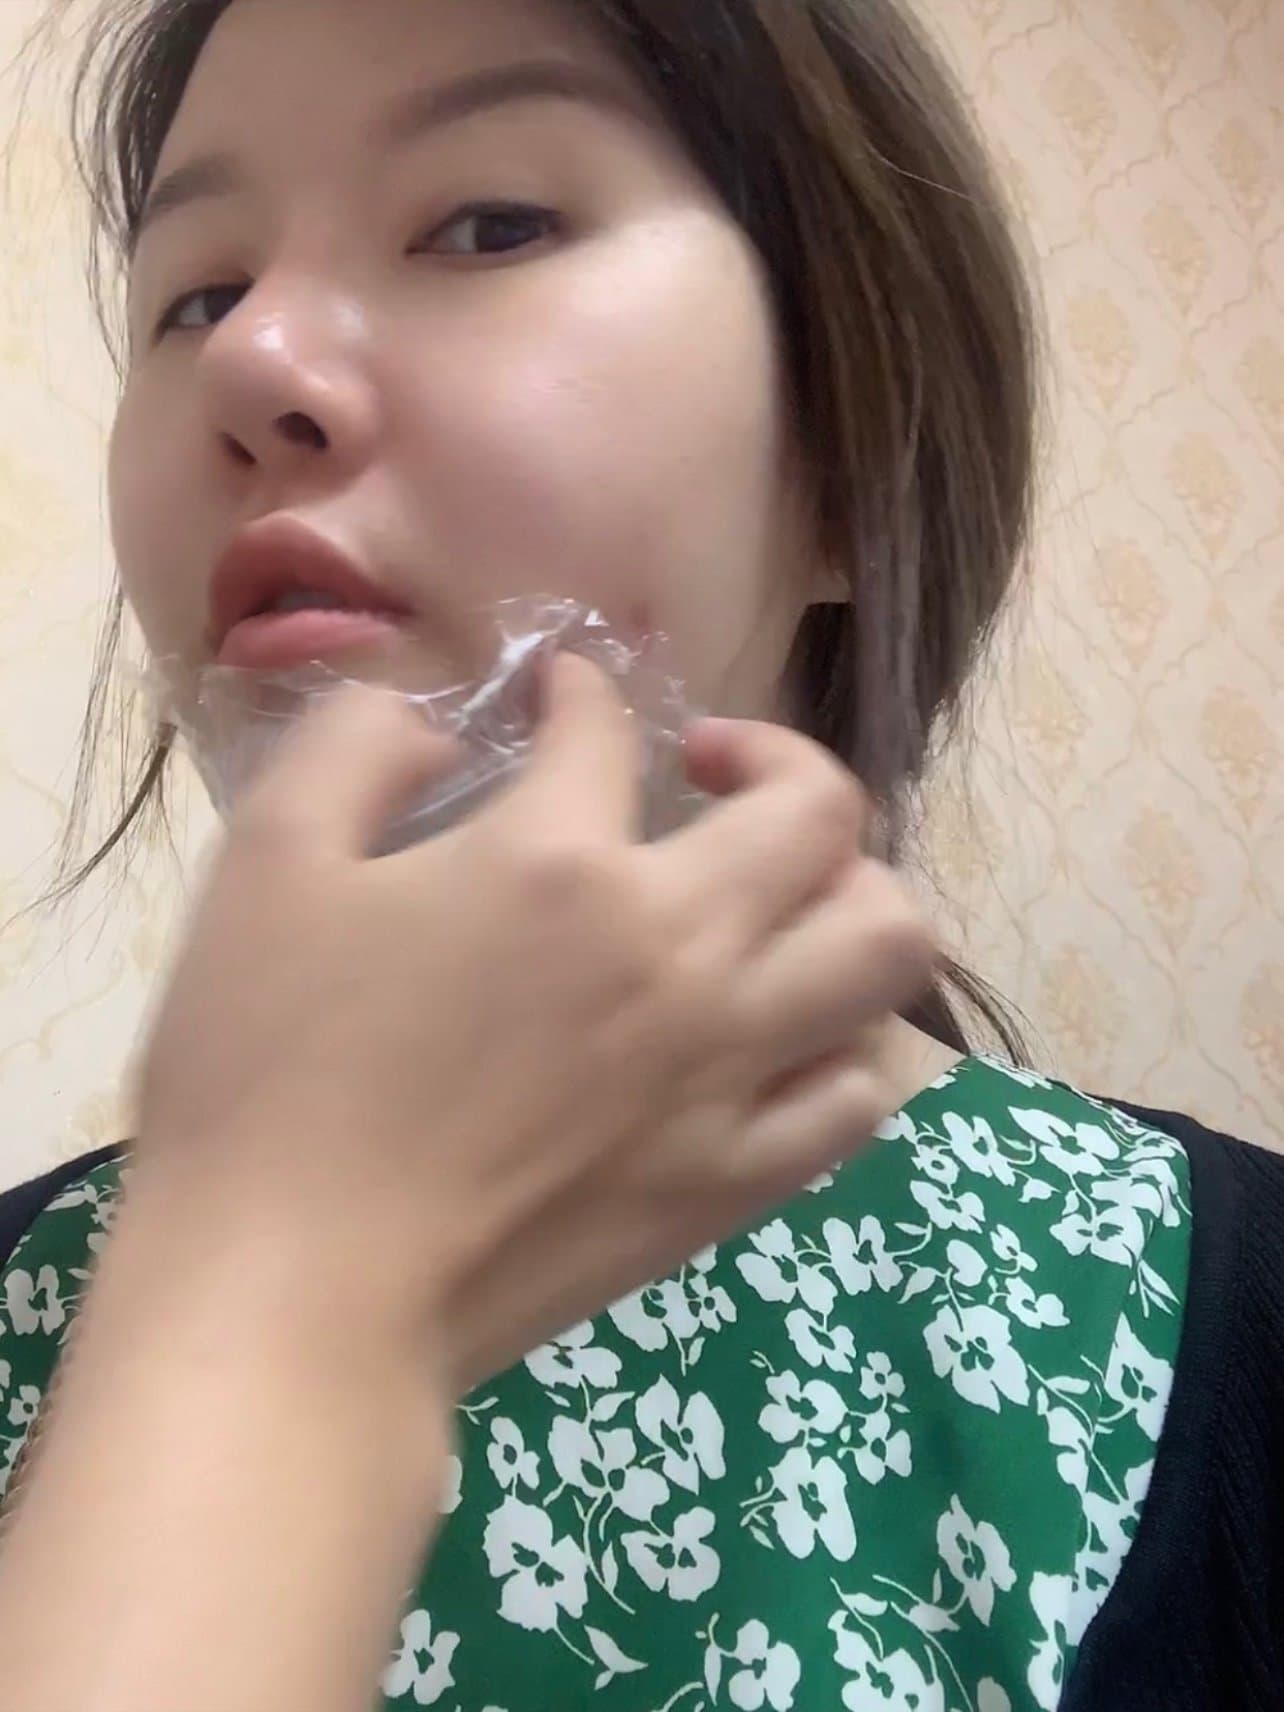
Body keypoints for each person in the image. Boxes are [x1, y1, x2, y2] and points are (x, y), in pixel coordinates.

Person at [0, 2, 1279, 1709]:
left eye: (488, 222)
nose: (249, 360)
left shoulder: (1237, 1314)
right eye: (197, 293)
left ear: (851, 463)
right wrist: (280, 1299)